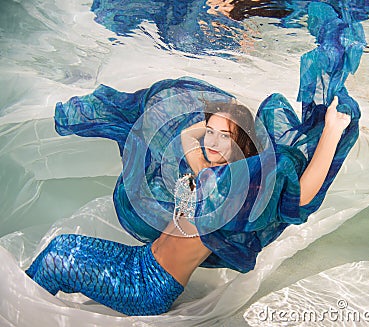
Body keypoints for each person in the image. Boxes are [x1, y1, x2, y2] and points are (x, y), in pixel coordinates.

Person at [25, 91, 350, 316]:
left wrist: (332, 133)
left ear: (241, 142)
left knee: (57, 259)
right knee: (61, 244)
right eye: (210, 132)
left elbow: (301, 197)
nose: (212, 141)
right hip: (140, 259)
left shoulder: (240, 190)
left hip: (150, 289)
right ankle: (19, 306)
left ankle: (18, 312)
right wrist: (223, 113)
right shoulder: (206, 169)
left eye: (225, 137)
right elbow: (187, 138)